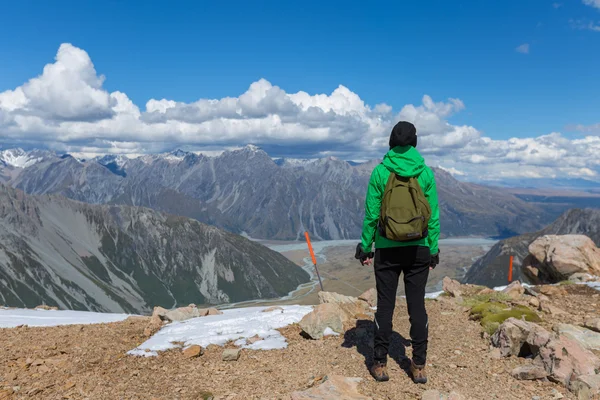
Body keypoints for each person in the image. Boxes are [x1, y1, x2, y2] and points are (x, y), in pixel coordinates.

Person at [355, 121, 440, 384]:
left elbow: (371, 215)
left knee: (385, 306)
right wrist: (433, 249)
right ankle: (418, 365)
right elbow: (433, 217)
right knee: (417, 307)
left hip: (387, 250)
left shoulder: (380, 172)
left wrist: (366, 246)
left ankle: (379, 364)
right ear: (415, 142)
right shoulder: (425, 173)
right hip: (419, 249)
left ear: (391, 142)